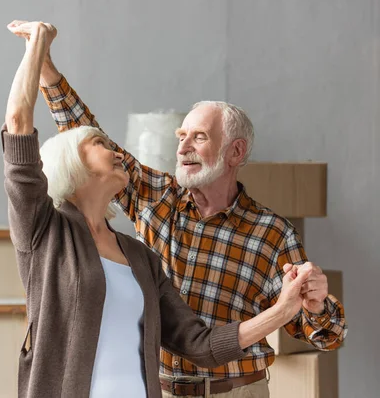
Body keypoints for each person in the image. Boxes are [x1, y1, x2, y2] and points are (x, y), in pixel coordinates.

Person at [20, 22, 349, 398]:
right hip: (158, 390)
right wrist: (46, 70)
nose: (183, 147)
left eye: (199, 137)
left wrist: (319, 302)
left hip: (236, 390)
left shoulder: (271, 233)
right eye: (181, 136)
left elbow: (327, 336)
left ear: (236, 152)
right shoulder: (157, 196)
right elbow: (88, 144)